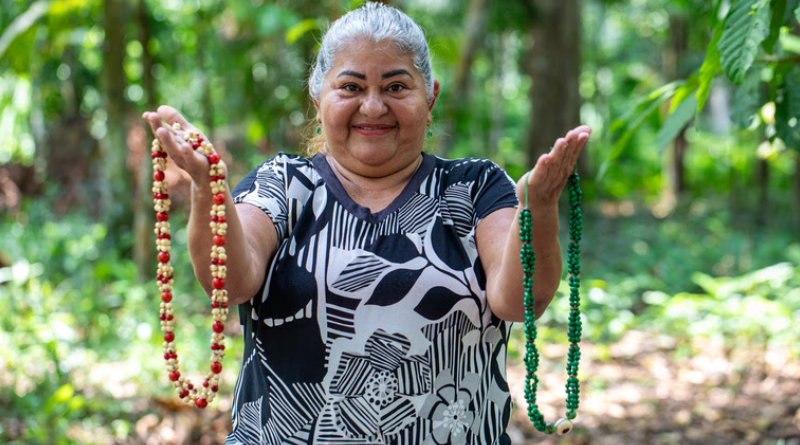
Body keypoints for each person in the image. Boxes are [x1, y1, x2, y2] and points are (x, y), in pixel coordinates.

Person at [143, 2, 590, 444]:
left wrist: (540, 207)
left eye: (396, 87)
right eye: (351, 87)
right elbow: (230, 283)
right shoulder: (282, 184)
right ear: (318, 99)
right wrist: (208, 190)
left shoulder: (472, 189)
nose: (373, 107)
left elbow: (518, 302)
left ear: (429, 96)